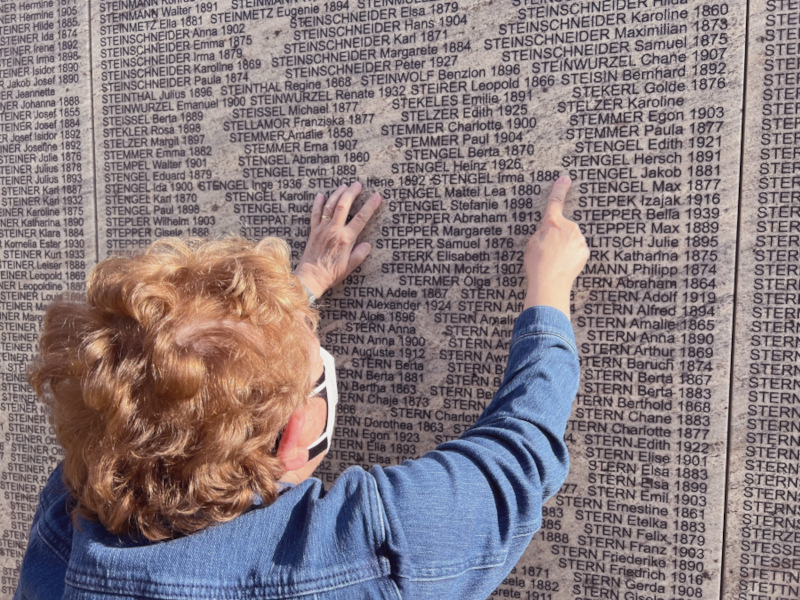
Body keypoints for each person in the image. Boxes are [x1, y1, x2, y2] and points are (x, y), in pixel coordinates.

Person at [15, 177, 588, 599]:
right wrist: (549, 291)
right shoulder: (362, 550)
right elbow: (519, 456)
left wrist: (298, 291)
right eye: (314, 369)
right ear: (295, 436)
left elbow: (169, 378)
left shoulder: (74, 501)